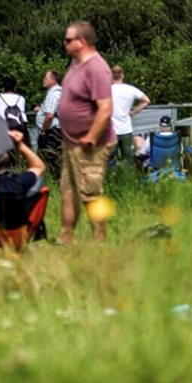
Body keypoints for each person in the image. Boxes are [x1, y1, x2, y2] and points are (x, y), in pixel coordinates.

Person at [56, 21, 117, 244]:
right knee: (68, 190)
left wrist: (91, 137)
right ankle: (65, 238)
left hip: (91, 145)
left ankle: (99, 242)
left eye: (68, 39)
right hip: (71, 142)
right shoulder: (75, 64)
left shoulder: (97, 69)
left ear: (82, 42)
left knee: (90, 194)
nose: (65, 43)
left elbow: (105, 109)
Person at [110, 66, 150, 165]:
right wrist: (133, 112)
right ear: (122, 75)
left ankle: (111, 179)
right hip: (126, 129)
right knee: (128, 159)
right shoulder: (130, 89)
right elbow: (146, 101)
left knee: (110, 160)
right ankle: (128, 178)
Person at [35, 69, 63, 178]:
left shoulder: (53, 95)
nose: (44, 80)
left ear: (53, 80)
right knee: (56, 159)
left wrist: (43, 130)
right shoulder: (60, 93)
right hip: (59, 131)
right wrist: (41, 110)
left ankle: (47, 181)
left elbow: (50, 116)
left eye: (46, 78)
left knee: (47, 159)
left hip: (50, 133)